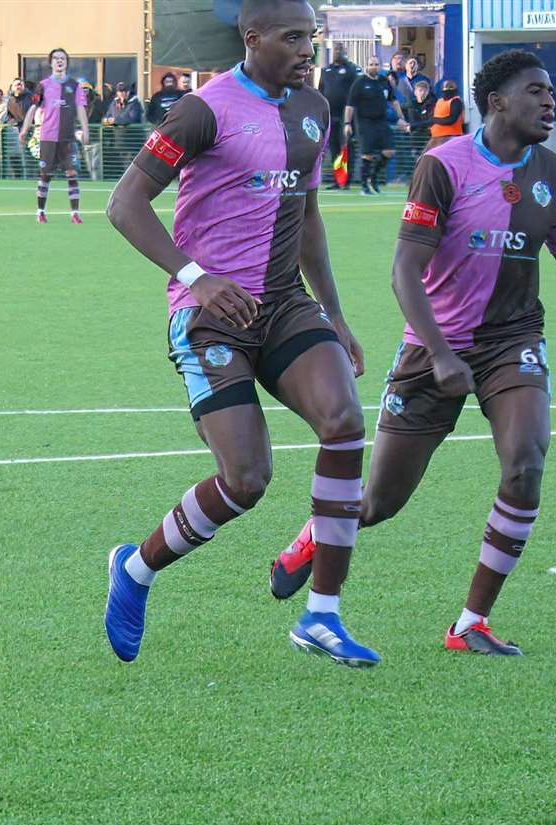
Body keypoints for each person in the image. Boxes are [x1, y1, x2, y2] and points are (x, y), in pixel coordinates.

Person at [269, 49, 556, 655]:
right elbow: (404, 271)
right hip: (431, 348)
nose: (550, 101)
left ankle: (471, 623)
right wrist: (442, 354)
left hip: (512, 343)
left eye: (551, 92)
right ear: (497, 101)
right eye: (535, 90)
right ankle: (319, 531)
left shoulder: (555, 174)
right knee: (379, 503)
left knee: (525, 464)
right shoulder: (443, 166)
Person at [105, 0, 378, 667]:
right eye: (291, 38)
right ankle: (135, 570)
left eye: (308, 38)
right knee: (247, 478)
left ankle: (322, 614)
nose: (304, 50)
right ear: (250, 39)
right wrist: (194, 277)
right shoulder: (204, 109)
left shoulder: (311, 108)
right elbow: (124, 204)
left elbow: (307, 214)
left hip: (284, 303)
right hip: (209, 314)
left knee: (343, 423)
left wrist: (334, 314)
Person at [19, 48, 89, 224]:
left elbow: (81, 109)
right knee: (45, 174)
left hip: (67, 138)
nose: (59, 61)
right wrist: (25, 128)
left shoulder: (75, 86)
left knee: (72, 173)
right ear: (50, 62)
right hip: (47, 137)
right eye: (56, 58)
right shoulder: (42, 85)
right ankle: (40, 211)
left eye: (62, 58)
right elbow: (33, 108)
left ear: (66, 62)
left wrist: (86, 130)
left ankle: (74, 213)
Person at [344, 56, 402, 195]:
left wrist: (401, 118)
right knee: (367, 154)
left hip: (381, 121)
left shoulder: (384, 81)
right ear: (367, 66)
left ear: (380, 66)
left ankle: (373, 178)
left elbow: (393, 100)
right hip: (365, 122)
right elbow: (350, 105)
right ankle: (364, 186)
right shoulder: (360, 82)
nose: (374, 67)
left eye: (376, 64)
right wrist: (347, 123)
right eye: (371, 64)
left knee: (389, 151)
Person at [316, 45, 359, 190]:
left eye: (340, 51)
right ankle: (337, 180)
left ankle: (347, 180)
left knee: (346, 148)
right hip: (330, 115)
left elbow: (354, 92)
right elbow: (320, 91)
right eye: (335, 50)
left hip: (345, 116)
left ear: (345, 53)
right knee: (334, 149)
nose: (337, 53)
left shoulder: (351, 70)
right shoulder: (326, 70)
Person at [426, 79, 465, 146]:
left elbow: (451, 119)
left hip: (451, 136)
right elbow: (432, 118)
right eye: (445, 91)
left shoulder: (456, 101)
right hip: (436, 137)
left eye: (449, 91)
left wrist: (434, 120)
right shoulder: (439, 101)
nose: (446, 93)